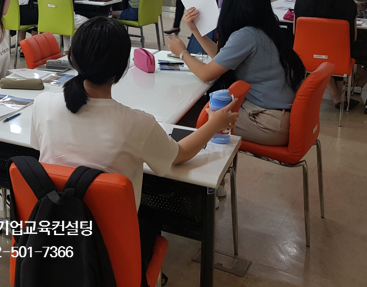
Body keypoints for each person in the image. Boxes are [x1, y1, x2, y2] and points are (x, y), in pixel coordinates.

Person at [31, 17, 238, 274]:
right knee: (151, 218)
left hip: (53, 234)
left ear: (73, 57)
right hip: (110, 246)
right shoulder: (137, 123)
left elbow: (43, 152)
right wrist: (214, 124)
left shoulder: (43, 104)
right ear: (124, 68)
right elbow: (180, 154)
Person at [168, 0, 306, 146]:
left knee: (179, 119)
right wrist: (195, 30)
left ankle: (193, 167)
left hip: (265, 122)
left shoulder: (246, 36)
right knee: (193, 112)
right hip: (277, 117)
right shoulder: (266, 30)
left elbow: (206, 74)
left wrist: (182, 53)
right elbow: (221, 57)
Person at [294, 0, 367, 109]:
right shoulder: (348, 5)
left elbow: (296, 32)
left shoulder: (301, 1)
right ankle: (344, 91)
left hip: (306, 56)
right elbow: (351, 38)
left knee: (323, 51)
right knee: (337, 51)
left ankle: (337, 96)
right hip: (339, 55)